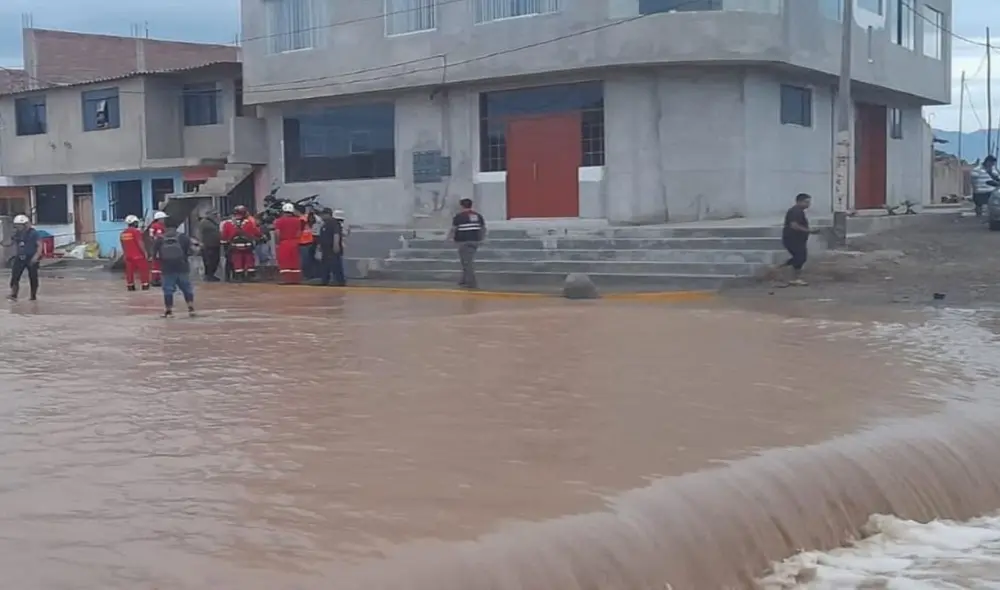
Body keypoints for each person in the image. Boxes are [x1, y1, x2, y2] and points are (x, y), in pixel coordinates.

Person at [153, 219, 196, 318]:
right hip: (182, 267)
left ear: (165, 226)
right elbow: (190, 252)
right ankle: (191, 308)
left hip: (167, 268)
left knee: (168, 289)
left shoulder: (160, 239)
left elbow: (154, 255)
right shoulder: (183, 237)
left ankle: (169, 311)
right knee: (186, 288)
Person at [779, 193, 821, 287]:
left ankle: (783, 270)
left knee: (800, 257)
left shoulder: (799, 211)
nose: (808, 204)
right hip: (792, 239)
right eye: (806, 202)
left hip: (797, 240)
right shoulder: (795, 211)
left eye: (809, 202)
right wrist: (809, 231)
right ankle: (791, 276)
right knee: (800, 257)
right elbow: (794, 225)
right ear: (799, 202)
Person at [448, 198, 486, 289]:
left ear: (461, 206)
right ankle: (463, 280)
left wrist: (449, 238)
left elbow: (454, 229)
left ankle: (471, 282)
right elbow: (483, 228)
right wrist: (481, 239)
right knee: (466, 261)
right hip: (475, 241)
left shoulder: (459, 217)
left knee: (467, 262)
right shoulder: (477, 216)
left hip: (464, 242)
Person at [220, 206, 261, 282]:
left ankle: (239, 277)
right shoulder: (248, 222)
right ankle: (250, 276)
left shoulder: (228, 223)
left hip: (234, 247)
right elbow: (256, 233)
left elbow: (224, 236)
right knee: (249, 261)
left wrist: (225, 244)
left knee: (237, 261)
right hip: (247, 247)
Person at [7, 215, 41, 301]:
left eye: (19, 225)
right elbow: (10, 243)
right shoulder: (17, 233)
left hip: (31, 258)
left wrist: (36, 256)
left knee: (33, 277)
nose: (17, 227)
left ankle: (33, 296)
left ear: (25, 224)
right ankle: (14, 294)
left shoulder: (34, 233)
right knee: (15, 276)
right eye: (16, 225)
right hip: (20, 257)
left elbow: (40, 245)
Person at [273, 202, 303, 284]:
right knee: (295, 261)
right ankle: (296, 280)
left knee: (284, 262)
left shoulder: (279, 221)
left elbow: (277, 233)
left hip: (284, 243)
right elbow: (299, 233)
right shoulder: (297, 221)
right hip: (295, 242)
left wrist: (277, 243)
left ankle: (286, 280)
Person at [119, 214, 150, 291]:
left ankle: (130, 286)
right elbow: (140, 243)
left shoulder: (123, 233)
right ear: (135, 223)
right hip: (138, 256)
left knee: (129, 272)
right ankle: (145, 285)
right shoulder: (136, 232)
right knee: (143, 271)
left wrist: (125, 255)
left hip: (128, 256)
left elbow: (123, 245)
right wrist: (145, 252)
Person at [317, 208, 346, 286]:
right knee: (325, 266)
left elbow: (336, 234)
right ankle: (324, 281)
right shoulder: (324, 224)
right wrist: (320, 245)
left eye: (323, 214)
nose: (321, 216)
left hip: (332, 248)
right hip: (325, 249)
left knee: (336, 265)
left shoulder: (334, 223)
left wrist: (336, 245)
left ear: (328, 214)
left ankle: (340, 281)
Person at [197, 210, 222, 282]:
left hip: (215, 244)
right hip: (208, 245)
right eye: (215, 214)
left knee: (216, 260)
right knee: (209, 261)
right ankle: (208, 275)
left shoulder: (215, 222)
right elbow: (199, 232)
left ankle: (211, 275)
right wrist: (201, 242)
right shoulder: (204, 222)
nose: (217, 215)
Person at [146, 211, 168, 287]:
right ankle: (155, 279)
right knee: (156, 264)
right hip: (157, 248)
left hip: (162, 247)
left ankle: (158, 279)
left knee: (160, 264)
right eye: (163, 218)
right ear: (159, 219)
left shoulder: (162, 226)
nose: (164, 220)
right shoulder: (155, 226)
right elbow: (152, 237)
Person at [298, 208, 315, 280]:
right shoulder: (309, 217)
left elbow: (300, 229)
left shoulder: (301, 219)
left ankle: (306, 276)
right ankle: (310, 275)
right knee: (310, 260)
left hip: (303, 242)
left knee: (304, 261)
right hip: (310, 241)